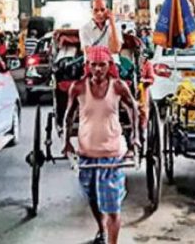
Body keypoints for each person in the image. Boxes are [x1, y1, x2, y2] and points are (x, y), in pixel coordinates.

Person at [63, 46, 139, 244]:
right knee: (94, 198)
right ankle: (101, 230)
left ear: (109, 66)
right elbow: (69, 115)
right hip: (87, 154)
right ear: (87, 66)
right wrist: (66, 143)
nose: (98, 69)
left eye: (102, 65)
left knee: (113, 206)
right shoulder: (78, 87)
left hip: (112, 155)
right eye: (94, 65)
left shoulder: (118, 86)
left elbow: (133, 108)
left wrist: (135, 137)